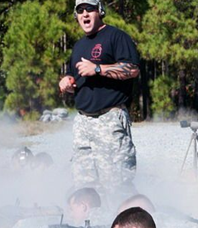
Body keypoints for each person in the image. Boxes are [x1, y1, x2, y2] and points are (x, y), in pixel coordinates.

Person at [58, 0, 140, 197]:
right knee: (84, 188)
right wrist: (67, 83)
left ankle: (126, 223)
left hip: (109, 119)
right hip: (83, 122)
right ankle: (91, 225)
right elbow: (76, 80)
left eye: (89, 9)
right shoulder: (79, 46)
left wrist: (98, 68)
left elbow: (132, 69)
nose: (84, 14)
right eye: (80, 10)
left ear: (100, 11)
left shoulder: (116, 36)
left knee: (117, 184)